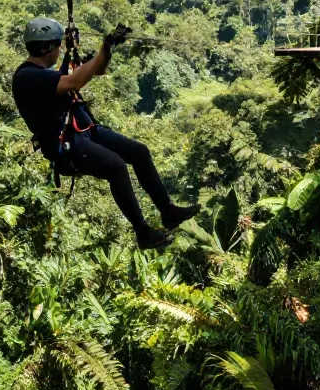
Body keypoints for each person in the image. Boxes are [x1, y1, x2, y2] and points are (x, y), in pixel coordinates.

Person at [12, 17, 198, 250]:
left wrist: (107, 48)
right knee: (116, 167)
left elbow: (97, 69)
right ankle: (142, 232)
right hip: (65, 144)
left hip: (82, 131)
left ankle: (168, 211)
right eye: (57, 45)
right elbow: (75, 81)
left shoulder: (46, 74)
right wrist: (104, 45)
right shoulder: (28, 77)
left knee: (138, 152)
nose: (59, 50)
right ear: (45, 47)